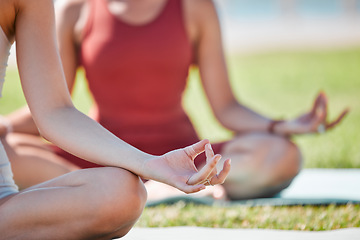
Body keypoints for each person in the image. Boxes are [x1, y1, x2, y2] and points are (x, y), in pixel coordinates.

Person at [1, 0, 347, 200]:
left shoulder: (195, 7)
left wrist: (279, 125)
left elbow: (225, 106)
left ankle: (174, 185)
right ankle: (145, 188)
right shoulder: (76, 11)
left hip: (182, 155)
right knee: (7, 152)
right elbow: (54, 109)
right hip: (101, 157)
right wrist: (4, 128)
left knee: (283, 154)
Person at [0, 0, 231, 238]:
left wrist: (149, 164)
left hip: (7, 200)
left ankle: (148, 184)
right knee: (13, 146)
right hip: (94, 154)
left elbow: (55, 111)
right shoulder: (78, 10)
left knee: (124, 192)